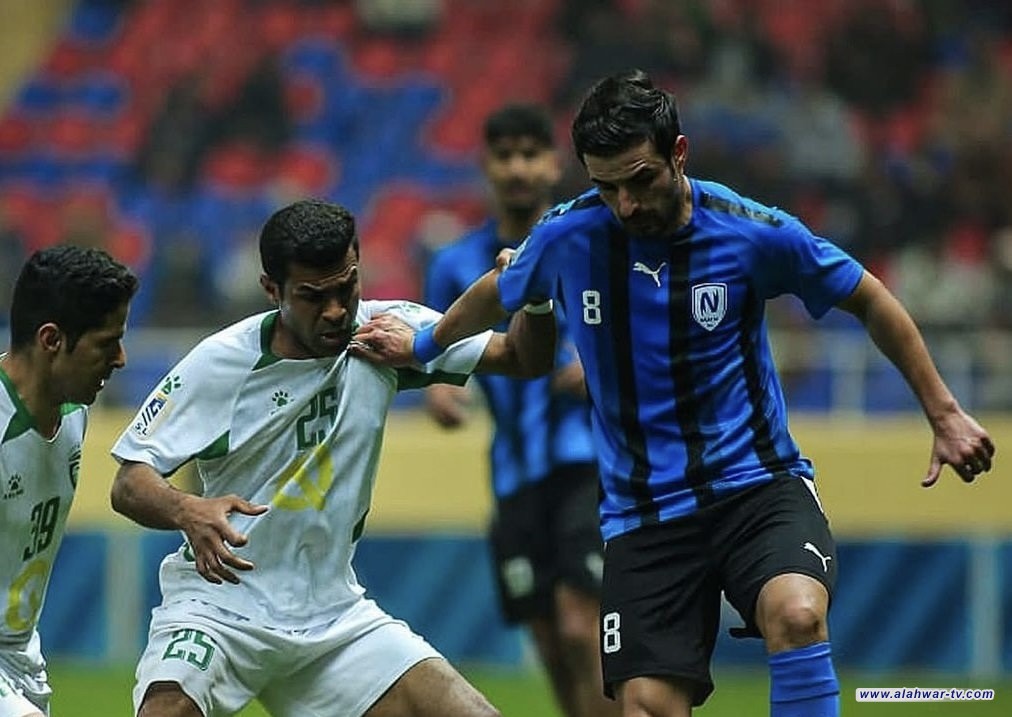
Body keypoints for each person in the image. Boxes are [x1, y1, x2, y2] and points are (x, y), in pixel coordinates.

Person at [350, 70, 997, 717]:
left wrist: (942, 411)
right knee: (647, 704)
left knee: (796, 613)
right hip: (645, 514)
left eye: (641, 180)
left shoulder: (750, 229)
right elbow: (498, 291)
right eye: (607, 188)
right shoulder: (567, 235)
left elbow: (868, 296)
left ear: (677, 154)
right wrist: (426, 345)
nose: (627, 204)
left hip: (758, 486)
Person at [108, 199, 554, 717]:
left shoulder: (389, 335)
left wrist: (535, 298)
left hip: (333, 618)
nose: (337, 310)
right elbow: (128, 482)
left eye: (346, 287)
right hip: (219, 608)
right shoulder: (221, 363)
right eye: (313, 296)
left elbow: (525, 358)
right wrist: (188, 511)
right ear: (272, 290)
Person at [423, 103, 616, 717]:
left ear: (555, 163)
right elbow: (433, 348)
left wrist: (601, 363)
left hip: (589, 463)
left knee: (582, 626)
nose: (518, 169)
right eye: (505, 156)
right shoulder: (454, 263)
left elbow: (638, 323)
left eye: (530, 154)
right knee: (549, 640)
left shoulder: (587, 244)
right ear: (486, 166)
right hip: (511, 473)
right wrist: (439, 392)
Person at [1, 246, 138, 717]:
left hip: (23, 660)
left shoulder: (74, 414)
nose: (121, 358)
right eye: (106, 342)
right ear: (52, 339)